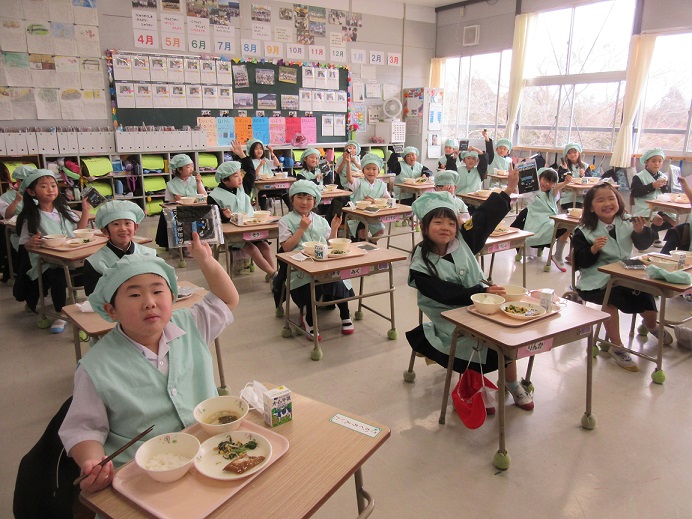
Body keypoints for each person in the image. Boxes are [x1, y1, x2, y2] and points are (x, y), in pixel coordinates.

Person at [59, 236, 239, 492]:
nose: (149, 302)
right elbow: (83, 429)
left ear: (172, 297)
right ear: (111, 310)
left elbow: (228, 299)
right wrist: (91, 460)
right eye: (134, 294)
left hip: (209, 455)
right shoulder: (96, 366)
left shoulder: (190, 324)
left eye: (157, 291)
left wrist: (206, 260)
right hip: (141, 474)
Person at [405, 171, 535, 412]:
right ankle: (476, 384)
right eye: (438, 222)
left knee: (507, 333)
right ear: (423, 226)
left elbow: (485, 217)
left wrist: (508, 190)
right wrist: (479, 290)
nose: (446, 228)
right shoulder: (420, 263)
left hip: (482, 304)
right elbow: (443, 294)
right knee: (481, 339)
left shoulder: (463, 241)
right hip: (447, 317)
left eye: (451, 223)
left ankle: (512, 383)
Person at [572, 183, 669, 372]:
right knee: (611, 297)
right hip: (597, 278)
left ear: (618, 201)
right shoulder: (584, 230)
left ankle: (651, 326)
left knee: (647, 293)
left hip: (628, 273)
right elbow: (581, 262)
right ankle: (616, 345)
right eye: (600, 200)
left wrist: (642, 232)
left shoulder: (627, 221)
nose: (607, 204)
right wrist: (593, 249)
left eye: (611, 199)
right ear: (591, 207)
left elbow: (642, 245)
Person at [15, 169, 90, 333]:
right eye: (44, 186)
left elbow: (79, 231)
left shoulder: (63, 210)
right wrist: (31, 243)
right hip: (46, 261)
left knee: (95, 267)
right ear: (31, 192)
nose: (51, 189)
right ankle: (60, 313)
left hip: (71, 256)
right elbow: (24, 245)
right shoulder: (31, 216)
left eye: (53, 185)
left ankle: (94, 305)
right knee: (58, 275)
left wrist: (85, 211)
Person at [279, 180, 354, 339]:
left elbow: (330, 244)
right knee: (310, 284)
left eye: (309, 198)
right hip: (300, 266)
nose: (304, 202)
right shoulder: (285, 221)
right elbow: (286, 247)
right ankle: (309, 320)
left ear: (315, 201)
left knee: (339, 277)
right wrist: (301, 229)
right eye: (300, 197)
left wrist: (334, 228)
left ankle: (345, 315)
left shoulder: (320, 220)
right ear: (292, 199)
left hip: (322, 262)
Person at [207, 161, 276, 281]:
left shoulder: (243, 188)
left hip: (251, 227)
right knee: (253, 249)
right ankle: (274, 275)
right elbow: (213, 220)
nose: (240, 179)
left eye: (240, 174)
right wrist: (225, 216)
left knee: (265, 246)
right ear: (224, 180)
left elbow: (251, 172)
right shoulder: (214, 196)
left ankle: (272, 274)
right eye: (235, 176)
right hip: (233, 235)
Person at [82, 200, 156, 296]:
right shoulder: (95, 263)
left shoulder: (150, 255)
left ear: (136, 228)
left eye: (127, 223)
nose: (123, 229)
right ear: (105, 231)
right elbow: (94, 297)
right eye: (116, 224)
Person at [512, 167, 572, 271]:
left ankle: (558, 255)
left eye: (551, 182)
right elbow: (520, 192)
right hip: (536, 221)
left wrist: (565, 183)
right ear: (539, 178)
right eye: (545, 180)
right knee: (557, 226)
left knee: (568, 226)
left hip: (550, 220)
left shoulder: (551, 194)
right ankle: (556, 255)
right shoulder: (532, 192)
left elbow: (557, 188)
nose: (547, 184)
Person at [155, 154, 207, 251]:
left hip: (194, 209)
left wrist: (199, 182)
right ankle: (183, 245)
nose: (191, 169)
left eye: (192, 166)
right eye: (188, 167)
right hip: (180, 211)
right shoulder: (172, 184)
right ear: (179, 170)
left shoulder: (194, 180)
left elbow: (203, 195)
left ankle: (199, 241)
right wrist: (175, 200)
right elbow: (168, 201)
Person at [631, 148, 675, 248]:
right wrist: (652, 186)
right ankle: (651, 238)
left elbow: (668, 193)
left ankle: (656, 235)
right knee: (658, 219)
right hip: (645, 205)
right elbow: (635, 192)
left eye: (660, 161)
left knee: (674, 220)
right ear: (646, 162)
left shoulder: (663, 176)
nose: (657, 164)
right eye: (653, 161)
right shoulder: (639, 176)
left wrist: (665, 187)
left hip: (661, 204)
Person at [0, 165, 36, 283]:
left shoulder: (38, 194)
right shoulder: (7, 197)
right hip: (19, 234)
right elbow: (7, 215)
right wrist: (17, 201)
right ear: (18, 181)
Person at [344, 153, 390, 243]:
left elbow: (387, 200)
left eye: (374, 169)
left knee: (380, 231)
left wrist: (374, 201)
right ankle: (361, 244)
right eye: (368, 169)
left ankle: (370, 243)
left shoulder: (382, 185)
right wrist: (348, 163)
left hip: (373, 216)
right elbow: (350, 179)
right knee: (362, 232)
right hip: (358, 216)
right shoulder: (359, 182)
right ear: (363, 170)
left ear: (379, 171)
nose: (371, 172)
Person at [235, 138, 287, 210]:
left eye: (261, 148)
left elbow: (277, 164)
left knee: (284, 191)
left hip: (269, 185)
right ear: (251, 150)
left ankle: (291, 210)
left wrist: (271, 152)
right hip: (259, 188)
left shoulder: (264, 159)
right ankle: (264, 211)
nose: (259, 151)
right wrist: (260, 165)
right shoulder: (250, 162)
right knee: (262, 194)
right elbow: (253, 175)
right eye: (256, 149)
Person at [557, 143, 590, 210]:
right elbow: (560, 181)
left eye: (574, 152)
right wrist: (565, 170)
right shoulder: (563, 166)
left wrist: (582, 176)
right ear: (566, 155)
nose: (572, 154)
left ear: (579, 153)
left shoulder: (585, 166)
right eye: (569, 153)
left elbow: (590, 181)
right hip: (567, 196)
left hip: (582, 196)